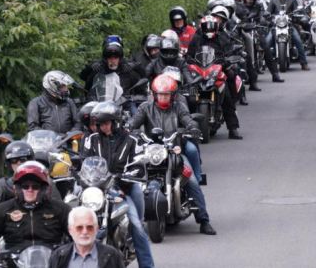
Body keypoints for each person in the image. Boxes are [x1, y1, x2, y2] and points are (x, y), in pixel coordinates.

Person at [129, 76, 216, 235]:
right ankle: (130, 221)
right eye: (160, 94)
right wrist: (128, 127)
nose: (163, 97)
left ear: (173, 95)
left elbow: (187, 119)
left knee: (192, 182)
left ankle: (204, 220)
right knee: (131, 179)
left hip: (175, 149)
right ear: (154, 94)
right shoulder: (145, 108)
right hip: (152, 152)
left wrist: (191, 127)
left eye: (166, 94)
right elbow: (134, 122)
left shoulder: (179, 107)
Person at [80, 103, 154, 268]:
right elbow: (83, 160)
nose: (103, 126)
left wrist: (126, 176)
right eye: (99, 123)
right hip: (97, 189)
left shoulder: (131, 140)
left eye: (107, 122)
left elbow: (139, 166)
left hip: (125, 188)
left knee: (137, 226)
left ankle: (147, 265)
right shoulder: (91, 140)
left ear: (115, 122)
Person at [0, 161, 70, 253]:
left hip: (52, 262)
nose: (30, 190)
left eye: (35, 186)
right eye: (25, 186)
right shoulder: (2, 210)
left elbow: (78, 237)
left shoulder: (60, 209)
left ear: (43, 188)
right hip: (14, 263)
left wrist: (66, 257)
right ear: (18, 188)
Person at [186, 16, 244, 136]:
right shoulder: (196, 39)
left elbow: (229, 50)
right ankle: (185, 126)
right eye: (206, 28)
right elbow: (189, 55)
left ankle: (233, 129)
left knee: (227, 95)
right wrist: (189, 62)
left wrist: (227, 60)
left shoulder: (222, 38)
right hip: (200, 69)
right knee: (187, 93)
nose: (209, 31)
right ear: (202, 28)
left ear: (217, 28)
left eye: (212, 28)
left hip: (218, 68)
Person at [236, 0, 284, 89]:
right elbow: (238, 19)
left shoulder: (258, 6)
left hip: (256, 30)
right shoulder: (239, 6)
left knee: (266, 48)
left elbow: (263, 16)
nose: (249, 0)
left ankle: (275, 75)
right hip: (243, 30)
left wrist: (266, 21)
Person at [49, 207, 123, 268]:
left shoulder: (112, 256)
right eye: (79, 228)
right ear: (70, 230)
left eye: (90, 227)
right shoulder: (58, 256)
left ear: (96, 229)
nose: (85, 232)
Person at [0, 141, 35, 220]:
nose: (19, 163)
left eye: (23, 159)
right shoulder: (4, 185)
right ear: (9, 163)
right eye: (14, 160)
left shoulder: (44, 182)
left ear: (30, 160)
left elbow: (57, 208)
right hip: (11, 229)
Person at [266, 0, 309, 70]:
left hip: (289, 25)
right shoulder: (273, 1)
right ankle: (262, 63)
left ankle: (304, 63)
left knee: (298, 41)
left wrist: (299, 15)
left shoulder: (292, 0)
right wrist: (267, 16)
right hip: (276, 26)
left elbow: (298, 11)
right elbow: (267, 12)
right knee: (267, 42)